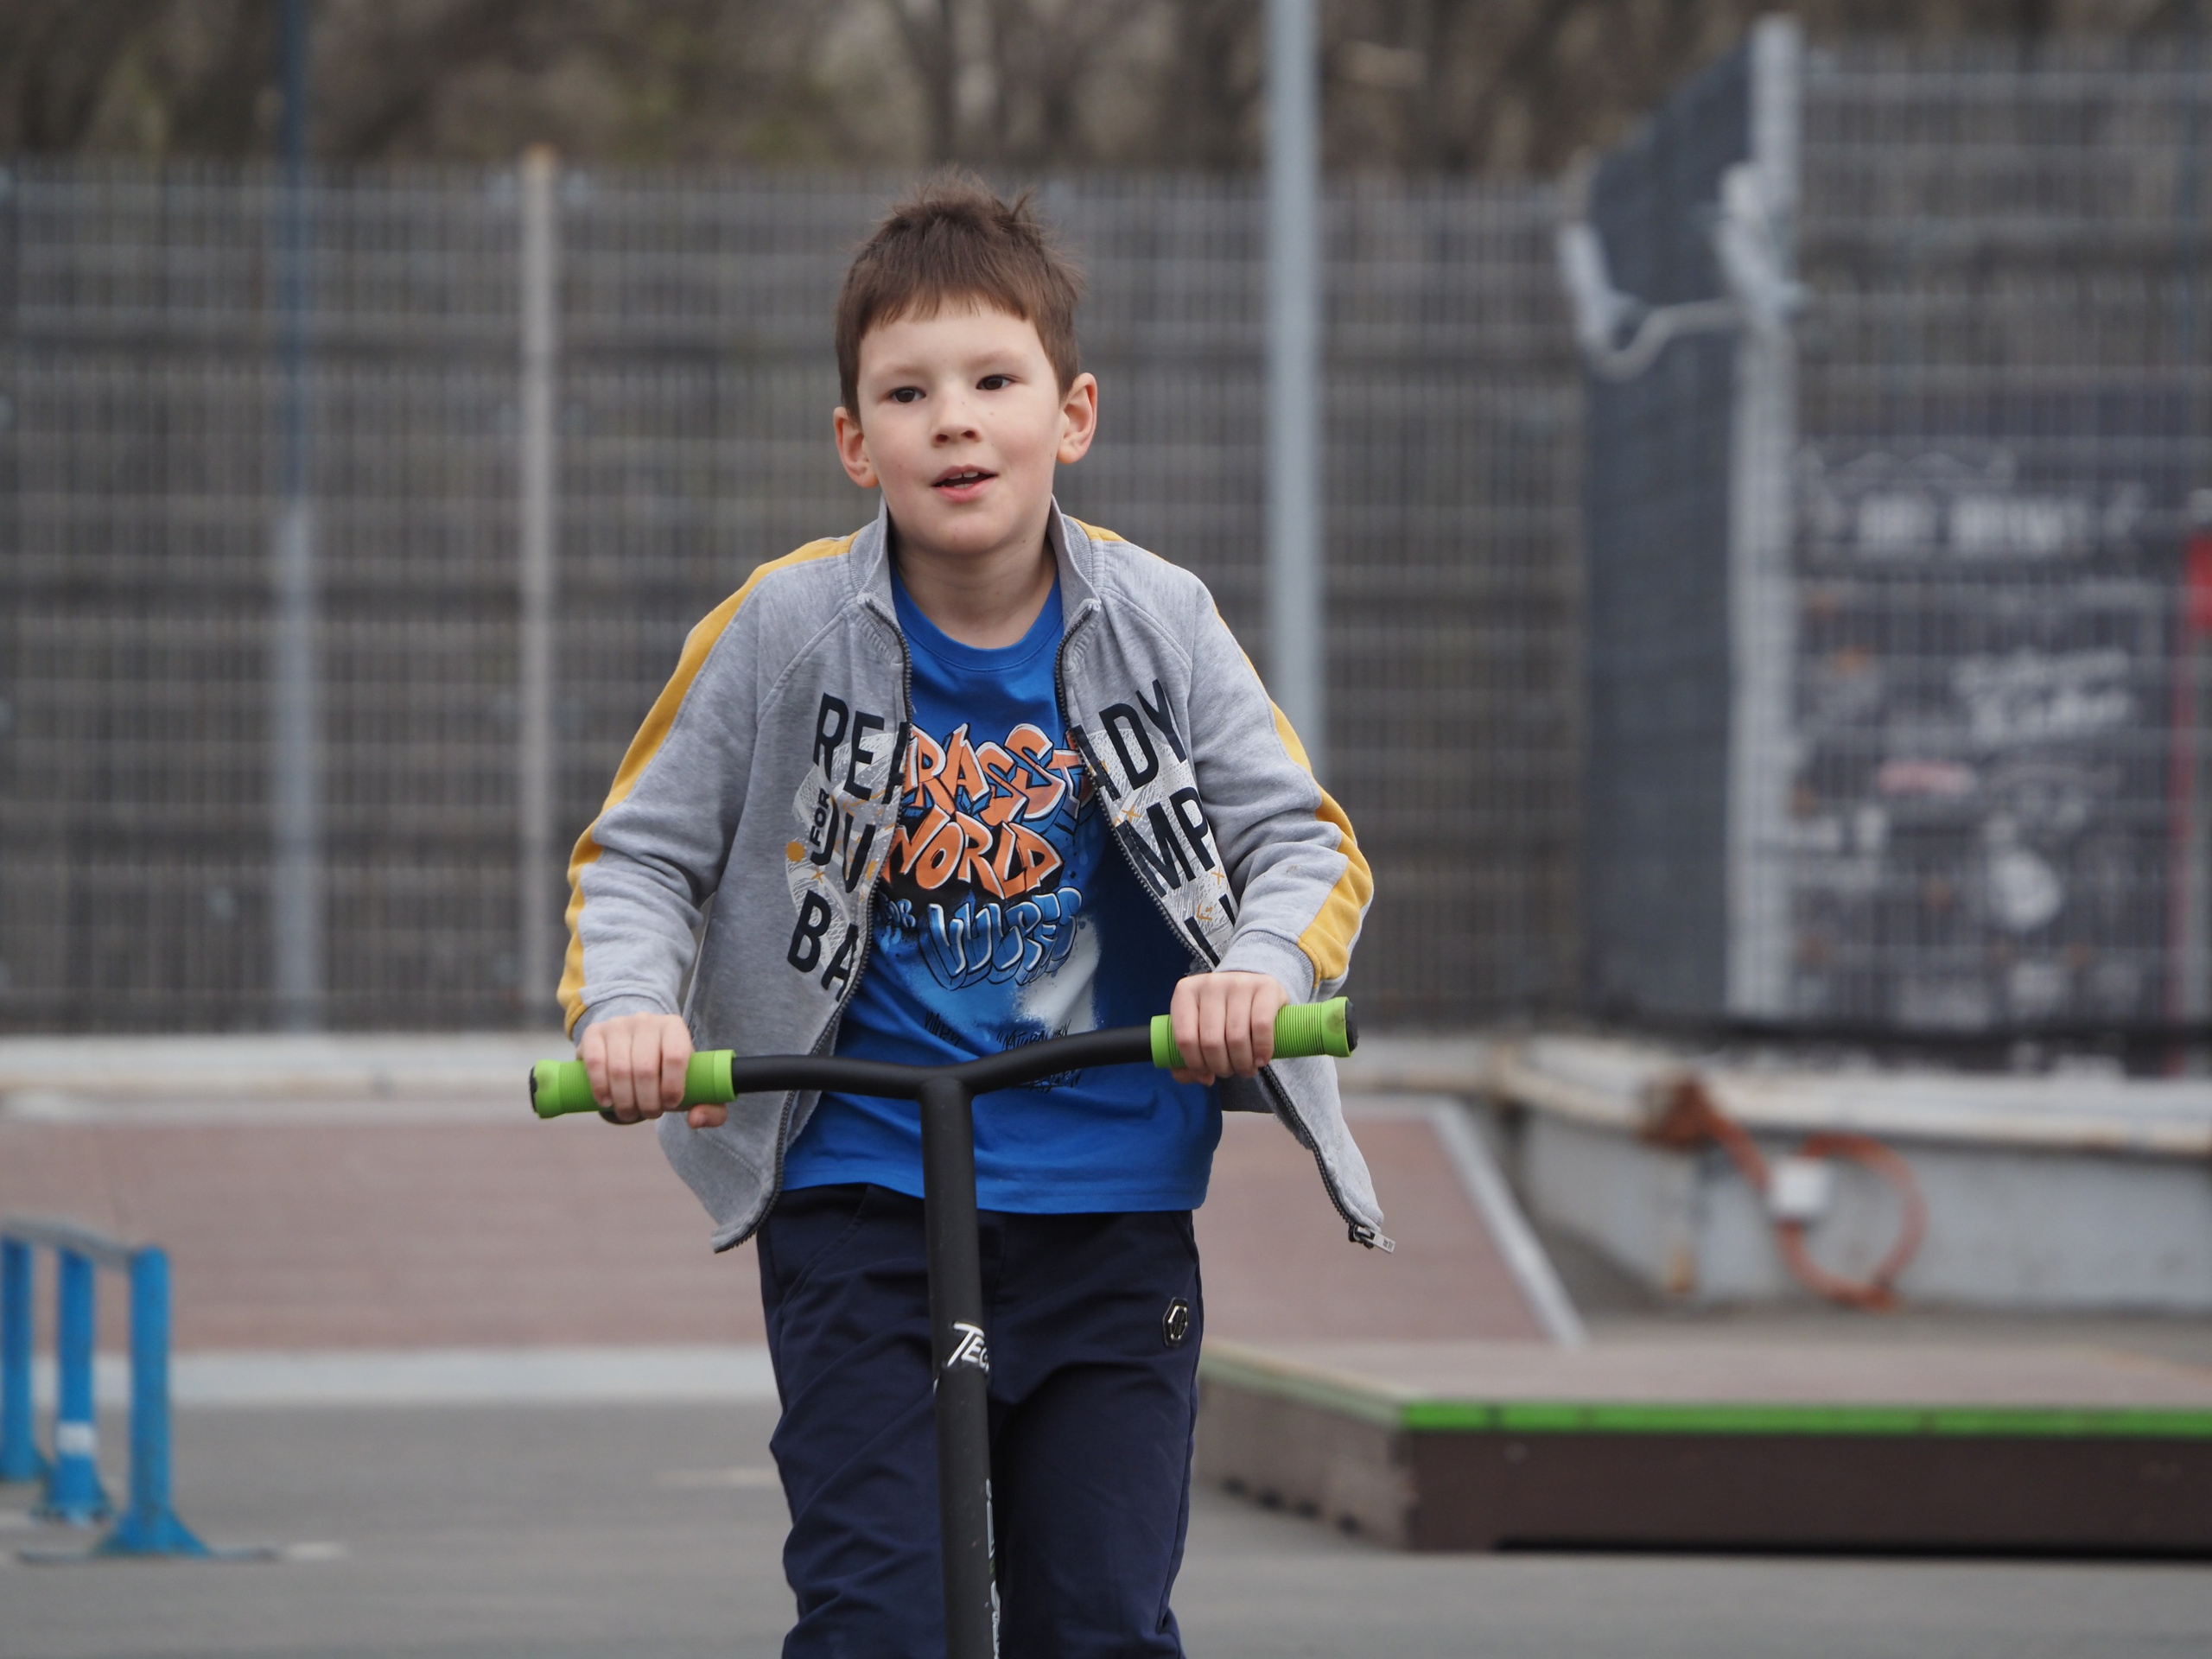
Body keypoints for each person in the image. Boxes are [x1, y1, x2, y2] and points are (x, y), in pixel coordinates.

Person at [560, 170, 1384, 1658]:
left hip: (1109, 1206)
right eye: (908, 391)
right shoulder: (783, 628)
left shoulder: (1160, 620)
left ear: (1069, 416)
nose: (955, 419)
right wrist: (627, 1009)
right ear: (853, 443)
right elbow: (638, 857)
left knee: (1100, 1618)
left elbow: (1303, 843)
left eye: (994, 380)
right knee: (879, 1617)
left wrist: (1252, 974)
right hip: (865, 1201)